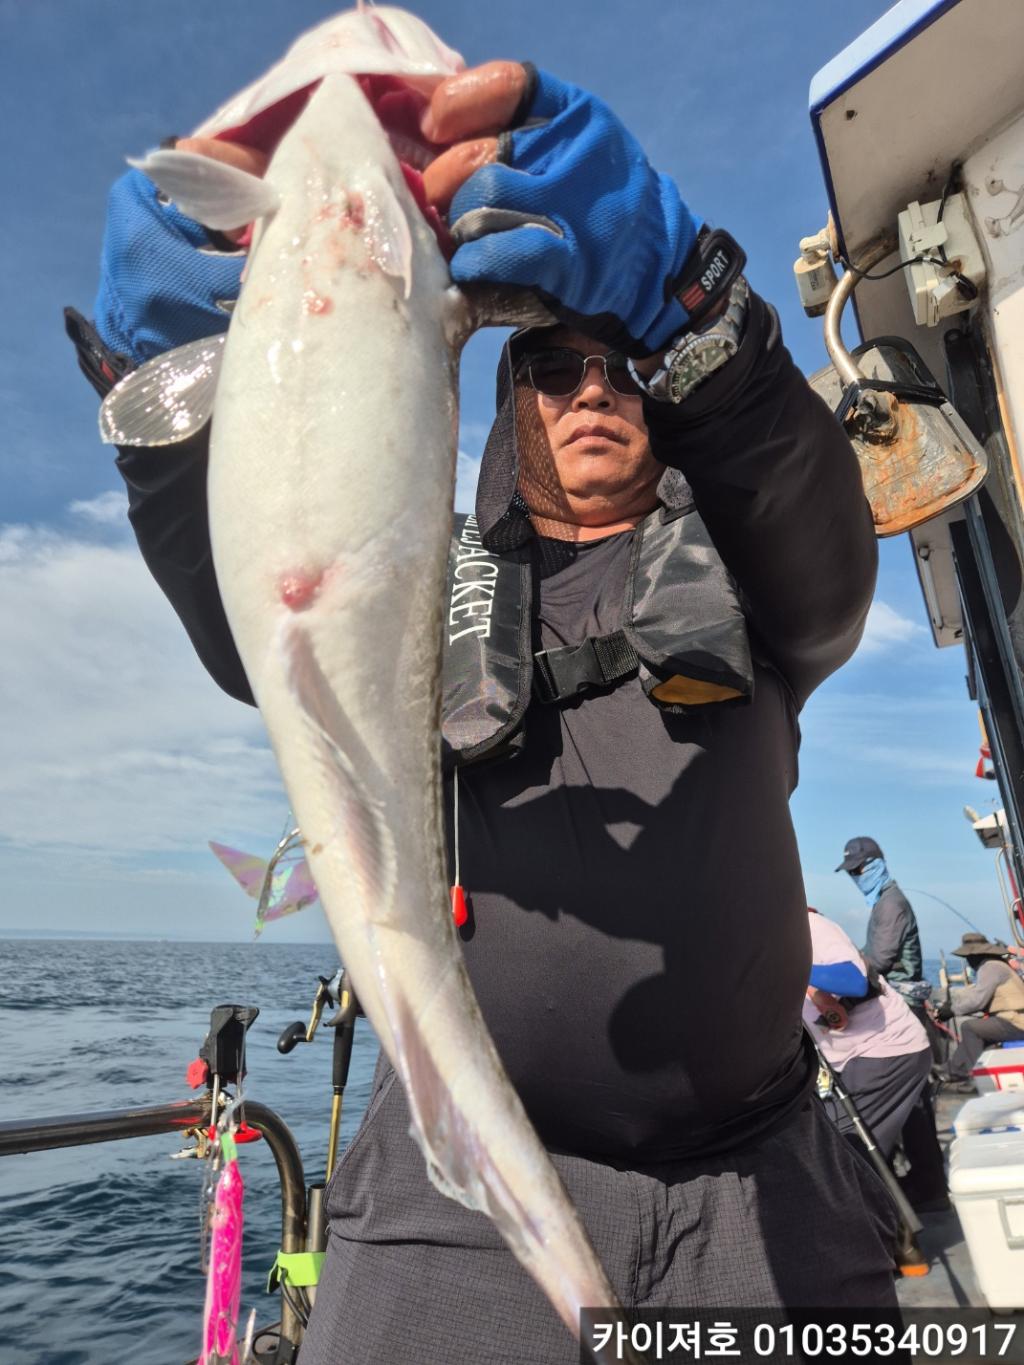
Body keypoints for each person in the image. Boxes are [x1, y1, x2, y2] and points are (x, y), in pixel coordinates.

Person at [70, 54, 901, 1364]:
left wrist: (685, 301)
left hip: (766, 1183)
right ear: (497, 404)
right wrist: (167, 411)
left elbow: (813, 520)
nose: (593, 387)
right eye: (553, 367)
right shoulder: (420, 593)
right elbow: (271, 627)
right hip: (450, 1196)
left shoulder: (757, 581)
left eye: (621, 367)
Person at [804, 909, 931, 1160]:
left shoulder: (808, 925)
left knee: (843, 1154)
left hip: (886, 1052)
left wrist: (781, 965)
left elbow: (854, 980)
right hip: (848, 1062)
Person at [939, 932, 1024, 1079]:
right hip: (1012, 1019)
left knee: (971, 1028)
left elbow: (978, 1000)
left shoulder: (990, 967)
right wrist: (953, 1005)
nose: (969, 961)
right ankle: (953, 1069)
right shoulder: (996, 964)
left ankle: (968, 1075)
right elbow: (976, 993)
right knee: (977, 1028)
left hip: (1016, 1021)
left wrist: (951, 1010)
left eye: (969, 957)